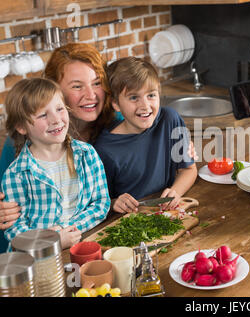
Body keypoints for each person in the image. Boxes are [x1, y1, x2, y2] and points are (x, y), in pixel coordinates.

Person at [0, 43, 197, 252]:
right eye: (77, 86)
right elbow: (8, 196)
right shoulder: (21, 144)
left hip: (86, 238)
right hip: (26, 249)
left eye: (96, 83)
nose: (91, 95)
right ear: (53, 89)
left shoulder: (120, 121)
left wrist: (181, 146)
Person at [2, 78, 110, 250]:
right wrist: (50, 241)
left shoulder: (87, 154)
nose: (55, 119)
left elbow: (101, 203)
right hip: (36, 258)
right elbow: (14, 229)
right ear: (22, 127)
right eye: (43, 115)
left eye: (59, 109)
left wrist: (66, 231)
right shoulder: (16, 174)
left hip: (82, 243)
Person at [93, 56, 197, 212]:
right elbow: (99, 201)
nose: (145, 106)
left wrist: (176, 192)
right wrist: (114, 203)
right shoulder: (104, 149)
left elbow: (188, 170)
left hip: (165, 213)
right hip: (129, 221)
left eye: (151, 95)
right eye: (134, 97)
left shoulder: (170, 120)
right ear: (116, 103)